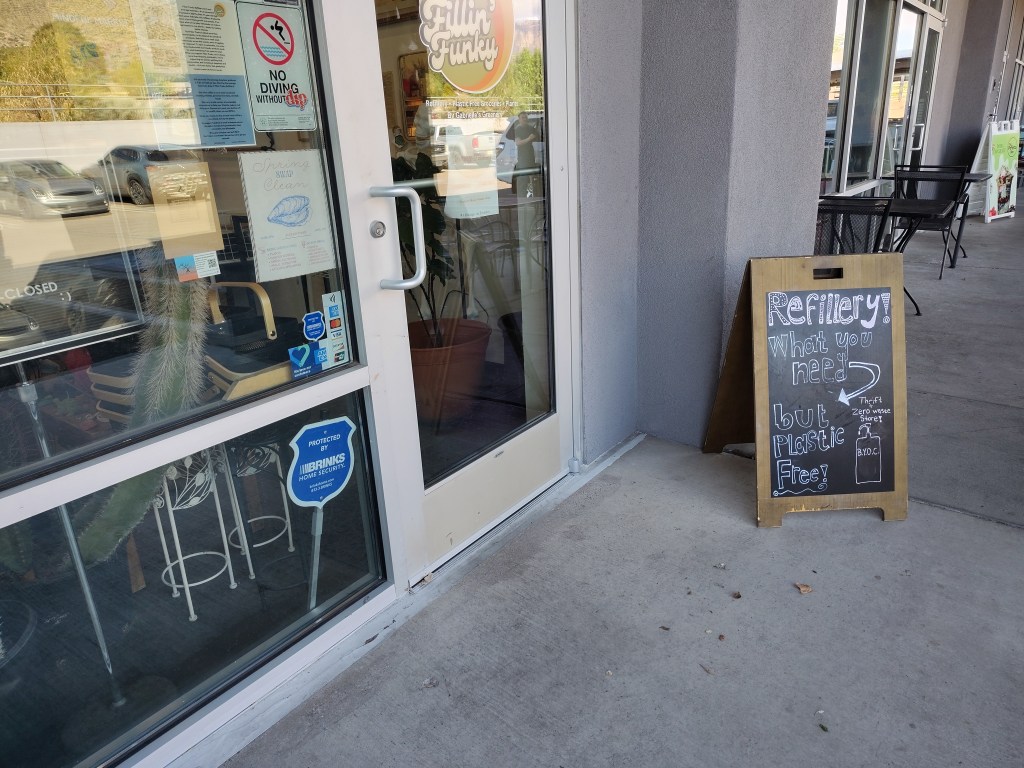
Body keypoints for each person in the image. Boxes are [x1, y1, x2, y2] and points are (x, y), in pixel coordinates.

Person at [511, 112, 539, 197]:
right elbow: (518, 143)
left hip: (530, 154)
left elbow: (537, 136)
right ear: (519, 119)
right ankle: (522, 196)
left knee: (531, 174)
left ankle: (531, 193)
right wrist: (529, 138)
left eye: (526, 117)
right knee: (523, 176)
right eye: (523, 117)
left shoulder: (531, 128)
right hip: (522, 155)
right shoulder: (518, 129)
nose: (525, 119)